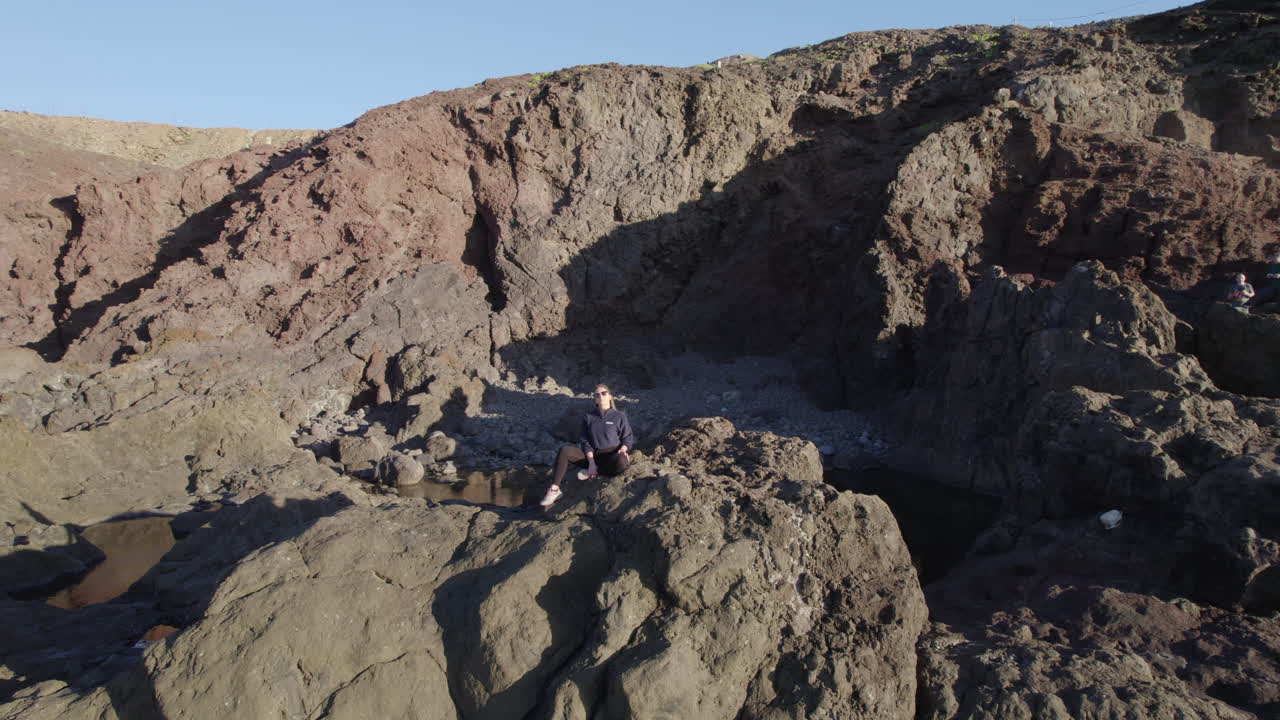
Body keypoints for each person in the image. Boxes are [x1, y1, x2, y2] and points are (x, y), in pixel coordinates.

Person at [540, 384, 635, 507]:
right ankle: (555, 489)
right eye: (597, 395)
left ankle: (596, 472)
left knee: (622, 460)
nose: (600, 396)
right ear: (595, 399)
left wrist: (623, 449)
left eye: (604, 393)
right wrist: (591, 463)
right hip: (593, 456)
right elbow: (585, 441)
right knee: (565, 450)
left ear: (610, 396)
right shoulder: (589, 417)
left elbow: (627, 437)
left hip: (612, 456)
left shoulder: (619, 416)